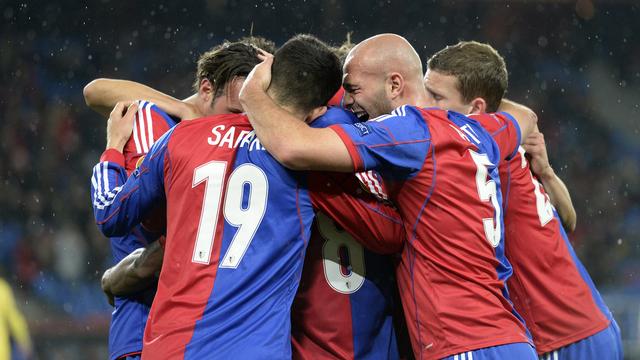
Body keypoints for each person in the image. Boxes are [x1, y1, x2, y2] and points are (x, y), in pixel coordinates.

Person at [90, 34, 404, 359]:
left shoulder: (180, 137)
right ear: (317, 112)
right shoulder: (304, 161)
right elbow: (389, 232)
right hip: (256, 350)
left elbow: (111, 215)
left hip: (170, 346)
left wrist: (112, 150)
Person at [238, 33, 539, 359]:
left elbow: (292, 148)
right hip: (511, 338)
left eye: (353, 89)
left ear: (395, 86)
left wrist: (251, 92)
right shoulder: (481, 131)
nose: (348, 102)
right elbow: (525, 119)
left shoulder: (409, 131)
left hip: (462, 340)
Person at [424, 40, 622, 360]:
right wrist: (545, 171)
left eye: (436, 97)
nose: (424, 106)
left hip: (559, 335)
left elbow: (568, 221)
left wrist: (546, 171)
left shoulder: (483, 156)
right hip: (589, 325)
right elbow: (568, 220)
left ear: (476, 109)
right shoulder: (507, 144)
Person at [86, 40, 264, 360]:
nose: (241, 123)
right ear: (207, 90)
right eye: (236, 112)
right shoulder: (155, 123)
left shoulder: (237, 139)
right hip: (143, 329)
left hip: (194, 331)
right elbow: (95, 91)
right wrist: (112, 153)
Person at [0, 276, 32, 360]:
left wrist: (23, 339)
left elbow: (14, 318)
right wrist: (23, 339)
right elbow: (14, 318)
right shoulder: (2, 288)